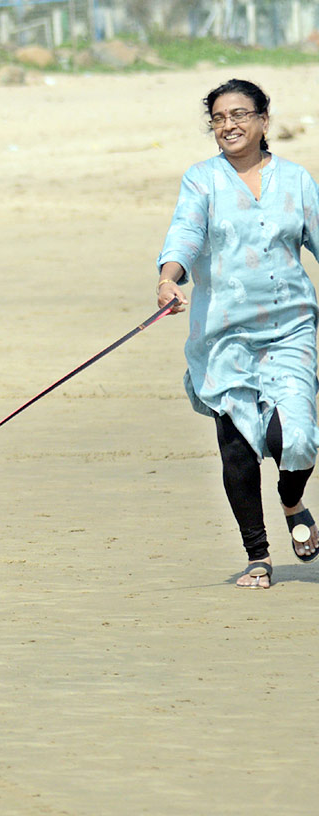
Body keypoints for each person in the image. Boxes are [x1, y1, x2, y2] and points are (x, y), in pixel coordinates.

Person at [157, 78, 319, 589]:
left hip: (290, 327)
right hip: (222, 332)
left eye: (240, 115)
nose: (228, 125)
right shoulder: (201, 179)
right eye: (219, 118)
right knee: (237, 447)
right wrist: (169, 276)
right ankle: (258, 555)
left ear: (264, 120)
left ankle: (292, 500)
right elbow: (186, 230)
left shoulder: (295, 180)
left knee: (296, 438)